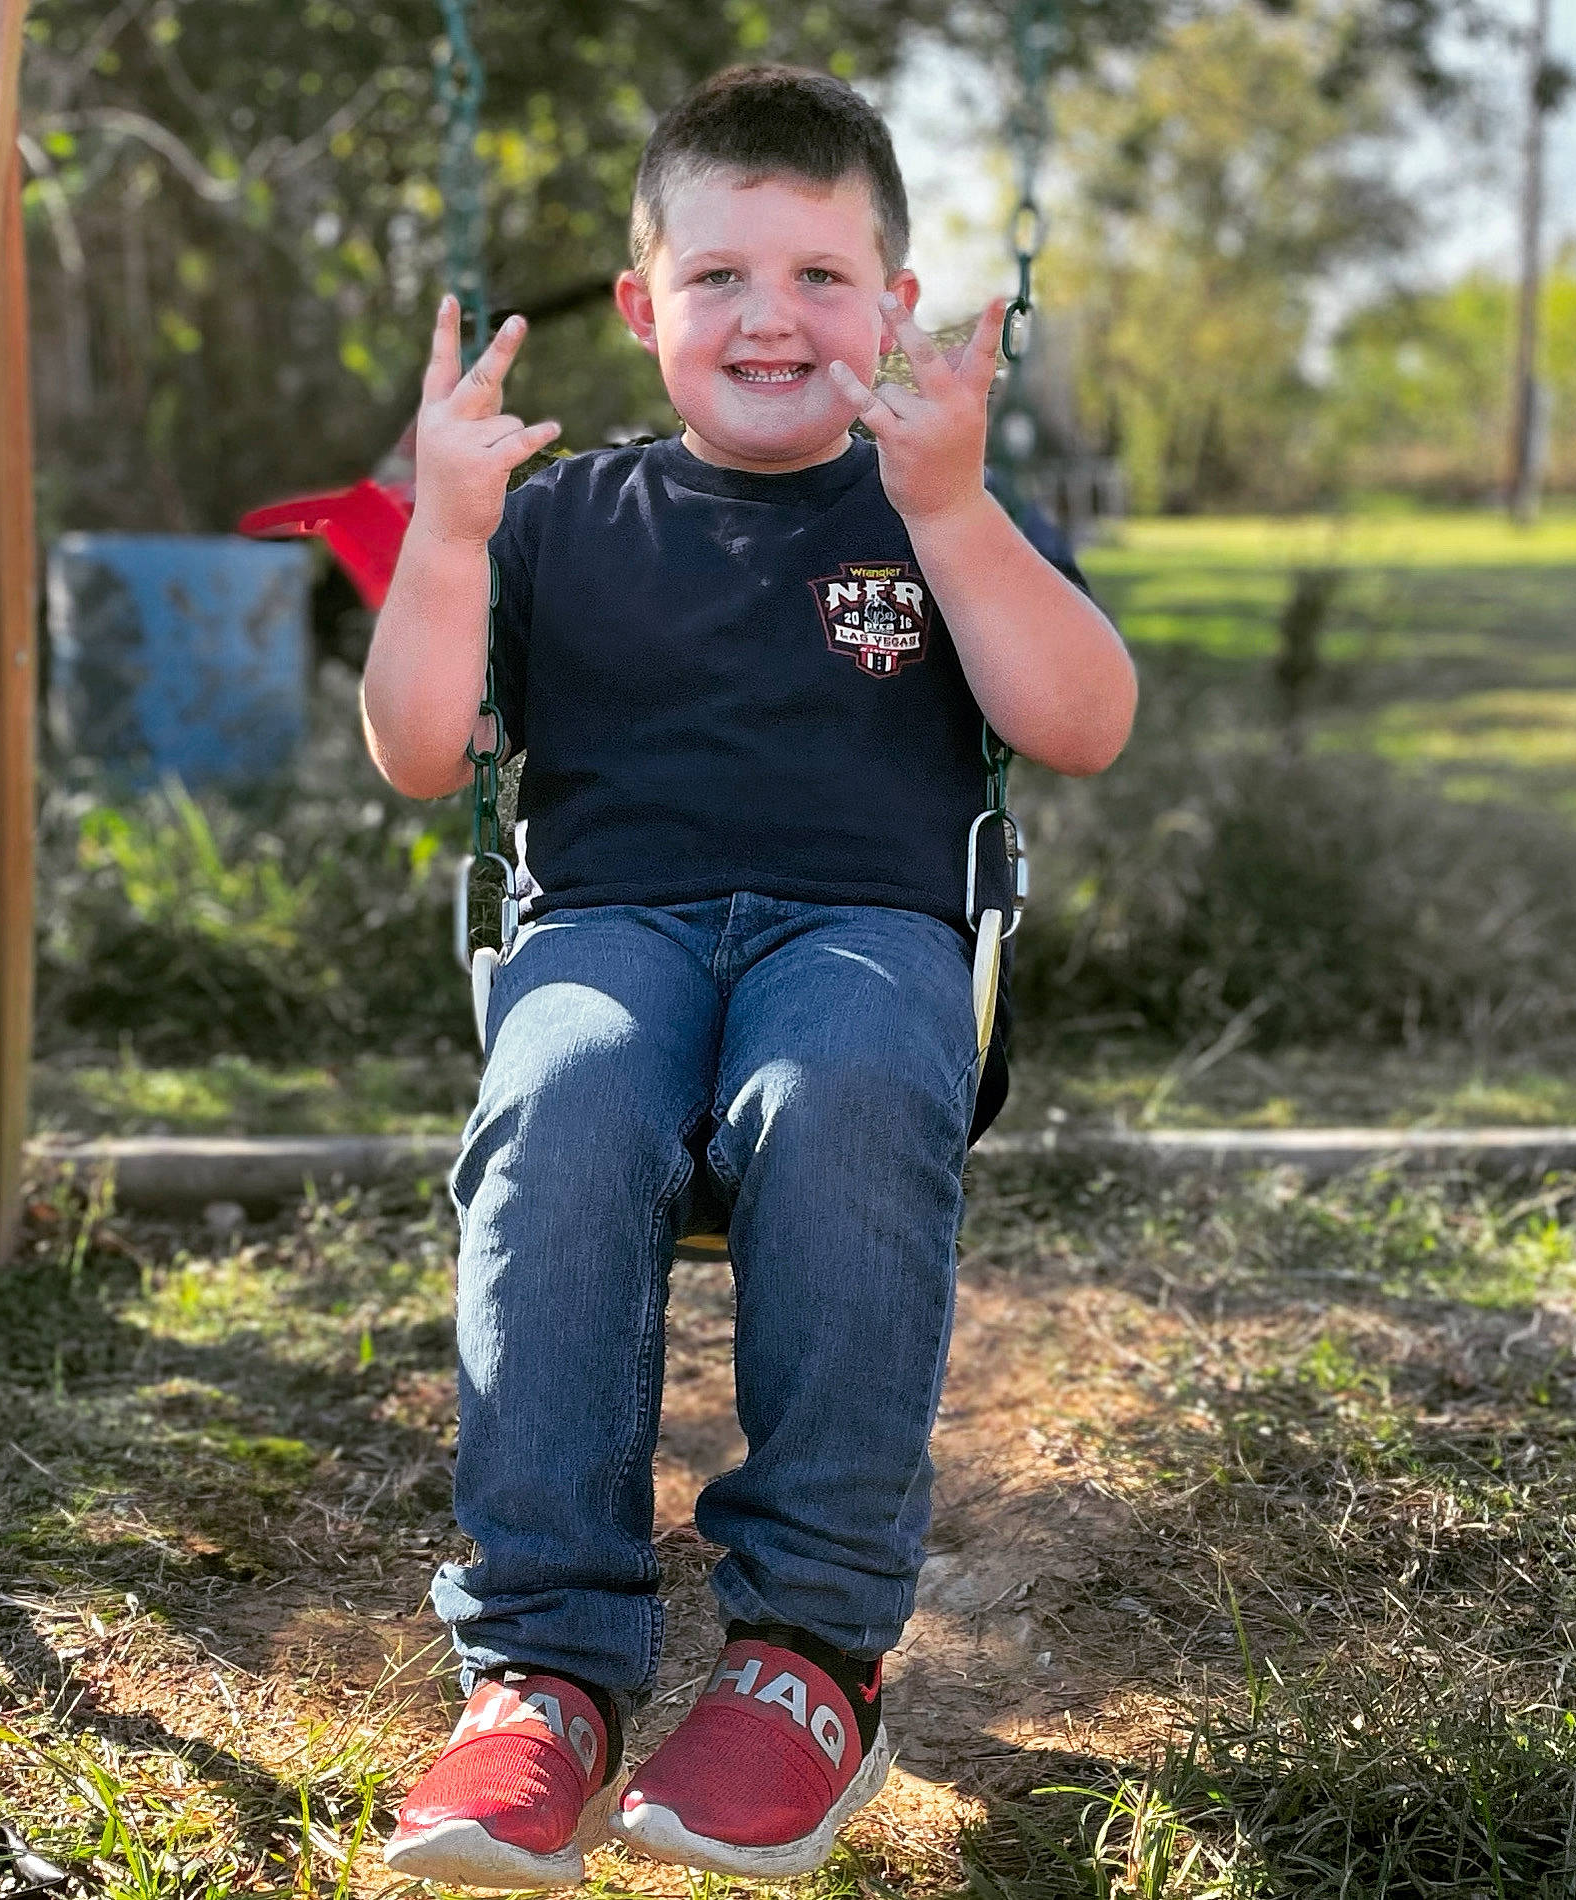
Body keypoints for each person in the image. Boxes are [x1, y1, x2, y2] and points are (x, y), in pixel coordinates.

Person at [361, 64, 1136, 1891]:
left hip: (861, 941)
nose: (768, 316)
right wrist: (447, 534)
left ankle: (807, 1656)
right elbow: (417, 751)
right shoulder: (558, 523)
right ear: (643, 310)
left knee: (854, 1086)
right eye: (718, 277)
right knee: (556, 1099)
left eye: (818, 276)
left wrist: (948, 509)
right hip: (608, 937)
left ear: (895, 306)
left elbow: (1083, 722)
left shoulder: (941, 499)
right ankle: (541, 1676)